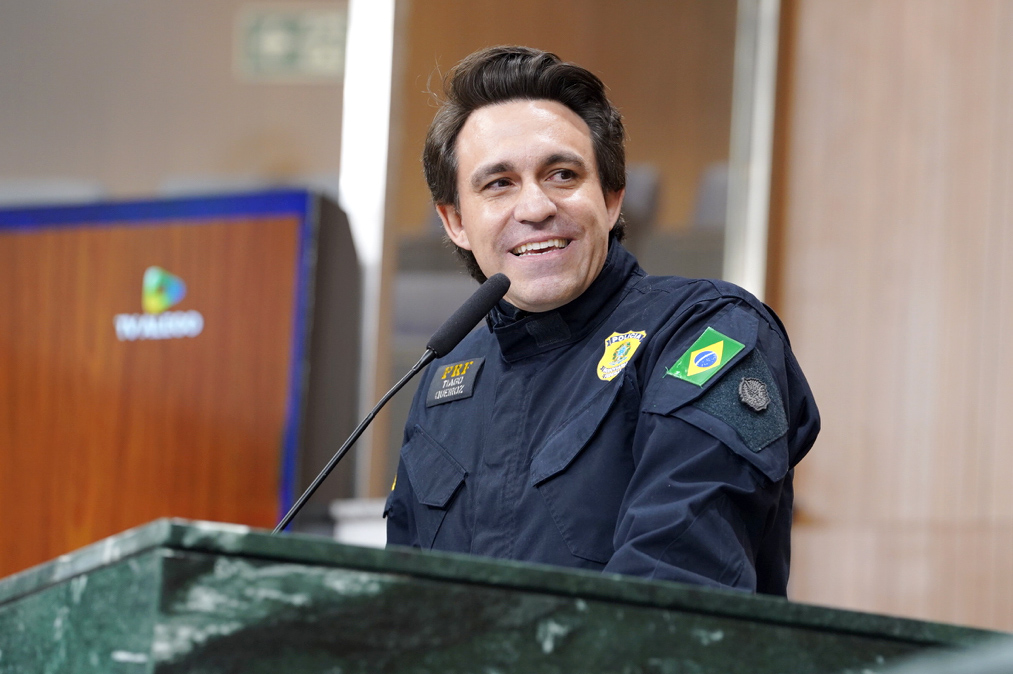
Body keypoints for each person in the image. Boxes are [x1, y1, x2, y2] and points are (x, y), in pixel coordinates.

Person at [384, 46, 819, 596]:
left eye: (562, 175)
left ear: (612, 201)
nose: (536, 207)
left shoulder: (706, 332)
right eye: (499, 184)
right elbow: (398, 602)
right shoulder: (445, 380)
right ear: (455, 223)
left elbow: (671, 590)